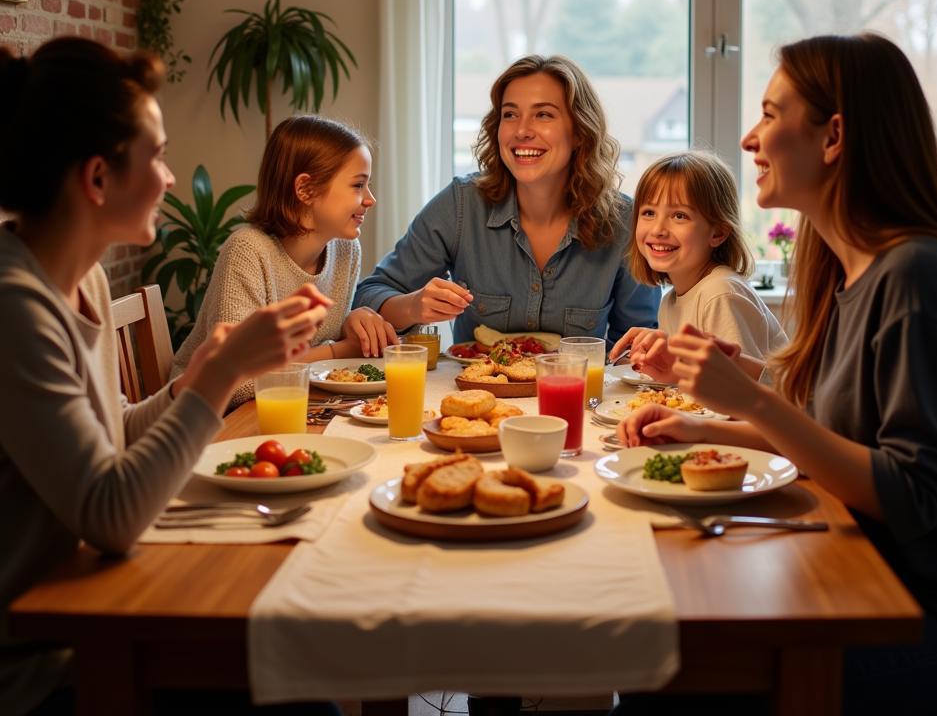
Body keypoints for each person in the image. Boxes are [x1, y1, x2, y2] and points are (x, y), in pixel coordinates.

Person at [620, 33, 937, 715]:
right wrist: (694, 419)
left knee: (665, 676)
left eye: (772, 115)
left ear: (833, 137)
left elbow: (910, 494)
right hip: (863, 579)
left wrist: (751, 400)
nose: (751, 138)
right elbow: (835, 436)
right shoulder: (854, 272)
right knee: (655, 641)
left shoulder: (918, 279)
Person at [0, 38, 333, 716]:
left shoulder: (79, 278)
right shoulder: (15, 306)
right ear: (97, 179)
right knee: (306, 694)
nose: (172, 177)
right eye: (156, 155)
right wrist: (225, 375)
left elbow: (110, 437)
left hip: (88, 608)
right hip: (41, 660)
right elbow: (110, 513)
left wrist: (191, 382)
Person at [354, 54, 660, 349]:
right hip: (476, 399)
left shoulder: (626, 221)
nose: (522, 131)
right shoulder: (460, 205)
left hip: (579, 400)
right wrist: (413, 306)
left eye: (543, 114)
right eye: (510, 114)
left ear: (579, 131)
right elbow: (368, 296)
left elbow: (637, 344)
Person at [172, 115, 397, 409]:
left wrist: (350, 324)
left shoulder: (346, 250)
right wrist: (340, 350)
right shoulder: (247, 251)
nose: (370, 199)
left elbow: (314, 342)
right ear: (305, 190)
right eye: (358, 185)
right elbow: (237, 383)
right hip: (209, 417)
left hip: (290, 403)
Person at [610, 151, 786, 380]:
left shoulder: (719, 293)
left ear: (719, 232)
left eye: (680, 216)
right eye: (649, 213)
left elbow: (738, 393)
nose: (658, 230)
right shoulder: (670, 301)